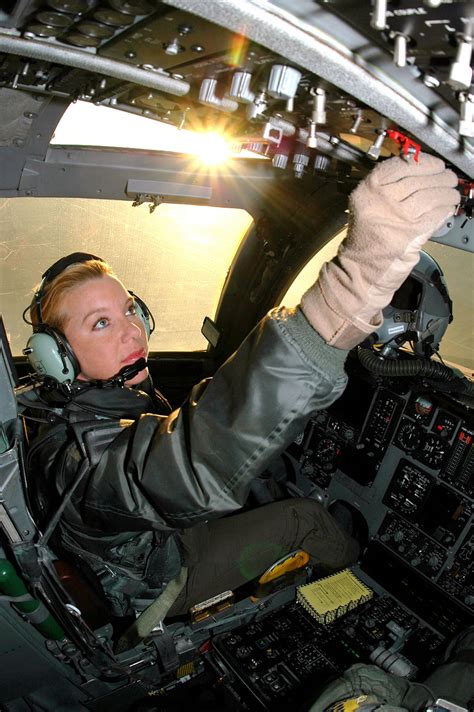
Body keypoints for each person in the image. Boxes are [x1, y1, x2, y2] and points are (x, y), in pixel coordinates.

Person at [24, 153, 458, 624]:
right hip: (156, 580)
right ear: (58, 358)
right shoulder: (73, 458)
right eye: (101, 323)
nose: (131, 331)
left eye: (129, 309)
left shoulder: (108, 400)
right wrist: (346, 297)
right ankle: (361, 571)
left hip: (152, 541)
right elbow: (187, 465)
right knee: (304, 519)